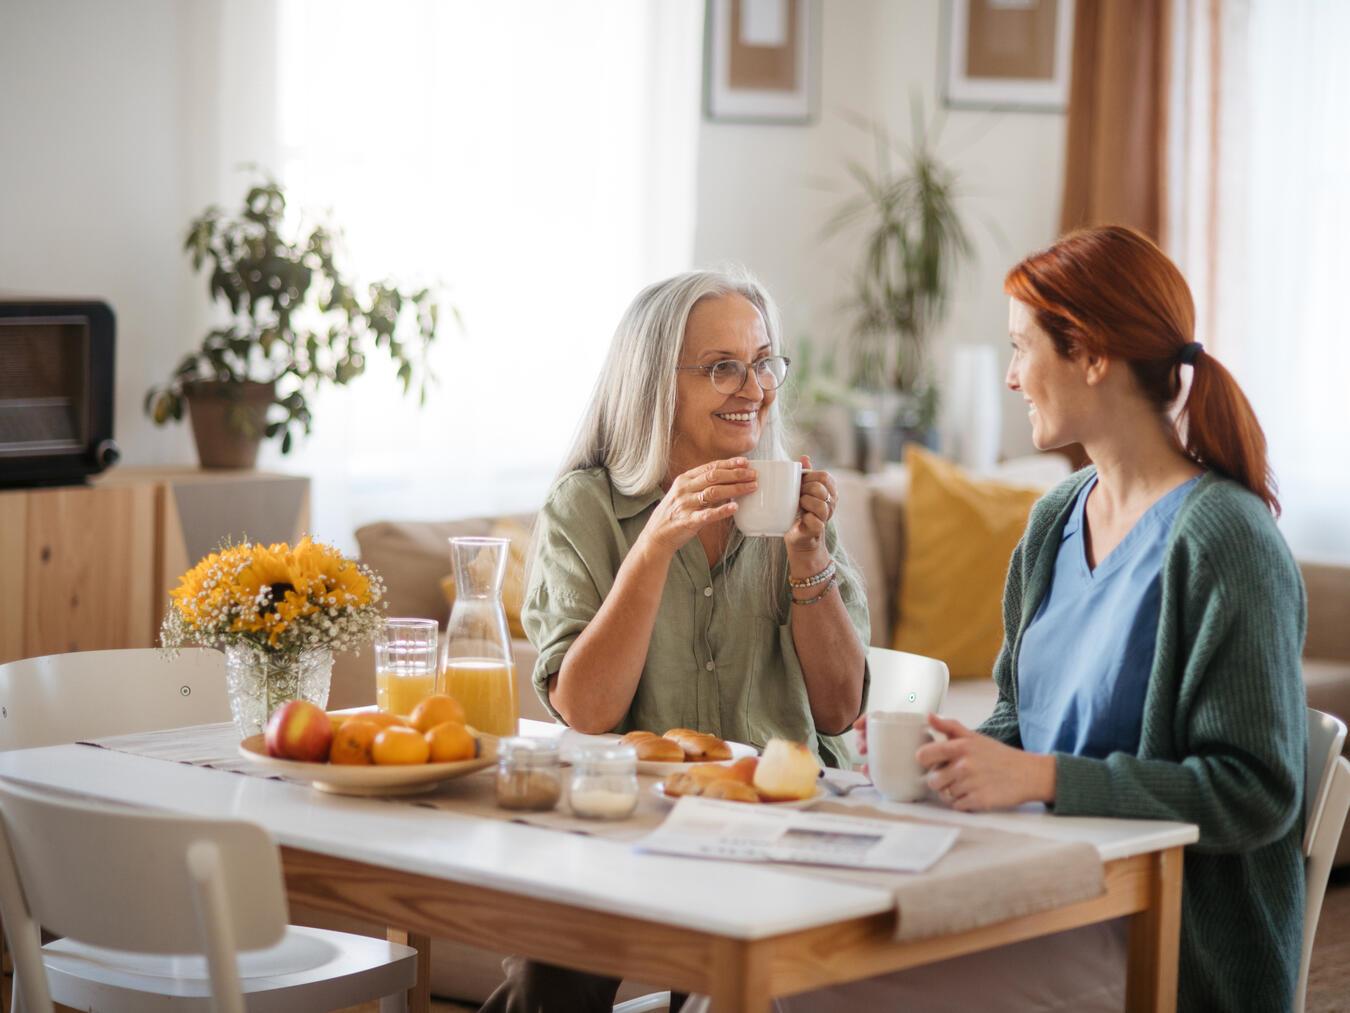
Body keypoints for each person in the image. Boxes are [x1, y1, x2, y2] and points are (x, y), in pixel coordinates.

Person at [822, 225, 1306, 1013]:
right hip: (1043, 892)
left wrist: (1041, 777)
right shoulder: (1054, 519)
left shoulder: (1224, 539)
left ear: (1089, 354)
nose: (1012, 377)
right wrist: (962, 755)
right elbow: (1022, 716)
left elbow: (1256, 791)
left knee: (812, 992)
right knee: (778, 975)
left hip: (1162, 943)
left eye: (1021, 348)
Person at [479, 268, 871, 1013]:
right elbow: (586, 710)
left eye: (763, 362)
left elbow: (839, 709)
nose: (753, 387)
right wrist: (653, 546)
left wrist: (808, 560)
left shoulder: (788, 501)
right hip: (627, 824)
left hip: (777, 825)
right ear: (655, 383)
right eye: (723, 367)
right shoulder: (586, 508)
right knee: (546, 979)